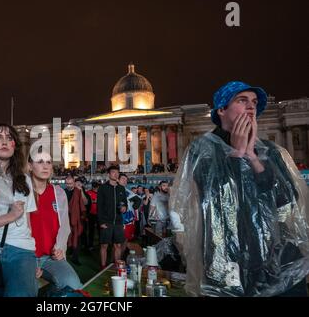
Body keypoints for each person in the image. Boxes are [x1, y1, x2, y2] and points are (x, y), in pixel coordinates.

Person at [171, 81, 309, 297]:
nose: (251, 107)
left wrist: (252, 157)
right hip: (229, 263)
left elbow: (287, 200)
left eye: (254, 102)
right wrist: (237, 154)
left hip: (280, 261)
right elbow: (218, 202)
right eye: (242, 100)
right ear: (222, 109)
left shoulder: (271, 151)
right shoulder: (202, 150)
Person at [0, 123, 38, 297]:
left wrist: (34, 259)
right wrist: (11, 216)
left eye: (9, 138)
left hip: (20, 250)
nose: (4, 141)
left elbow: (27, 223)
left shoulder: (25, 180)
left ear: (15, 145)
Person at [28, 151, 82, 291]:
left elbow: (64, 226)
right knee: (28, 290)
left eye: (48, 162)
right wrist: (24, 261)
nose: (45, 166)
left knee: (73, 285)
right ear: (30, 166)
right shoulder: (22, 192)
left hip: (49, 258)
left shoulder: (58, 193)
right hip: (26, 257)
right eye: (40, 162)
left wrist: (60, 248)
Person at [97, 165, 128, 269]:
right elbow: (99, 206)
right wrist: (101, 222)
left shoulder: (121, 188)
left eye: (117, 172)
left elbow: (125, 203)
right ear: (109, 174)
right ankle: (102, 266)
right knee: (104, 245)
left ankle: (117, 266)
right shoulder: (102, 188)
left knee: (118, 245)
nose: (116, 174)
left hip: (118, 222)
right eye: (113, 172)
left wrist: (124, 208)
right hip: (106, 222)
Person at [64, 175, 87, 265]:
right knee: (65, 238)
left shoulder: (78, 191)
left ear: (74, 182)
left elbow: (85, 203)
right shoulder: (63, 192)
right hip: (65, 219)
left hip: (76, 219)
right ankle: (65, 256)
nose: (69, 185)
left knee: (76, 239)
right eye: (67, 183)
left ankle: (75, 257)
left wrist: (81, 191)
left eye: (71, 183)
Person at [118, 173, 142, 257]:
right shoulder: (114, 190)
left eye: (126, 179)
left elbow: (138, 200)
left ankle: (121, 259)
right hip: (117, 220)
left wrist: (131, 207)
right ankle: (113, 263)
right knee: (117, 243)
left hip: (128, 220)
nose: (125, 181)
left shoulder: (127, 191)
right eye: (123, 179)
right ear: (117, 180)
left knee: (125, 240)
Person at [86, 181, 99, 251]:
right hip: (91, 214)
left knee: (100, 230)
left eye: (97, 187)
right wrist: (93, 201)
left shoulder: (100, 193)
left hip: (99, 214)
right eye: (94, 187)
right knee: (91, 231)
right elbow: (87, 202)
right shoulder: (88, 193)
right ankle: (90, 245)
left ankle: (101, 244)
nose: (96, 188)